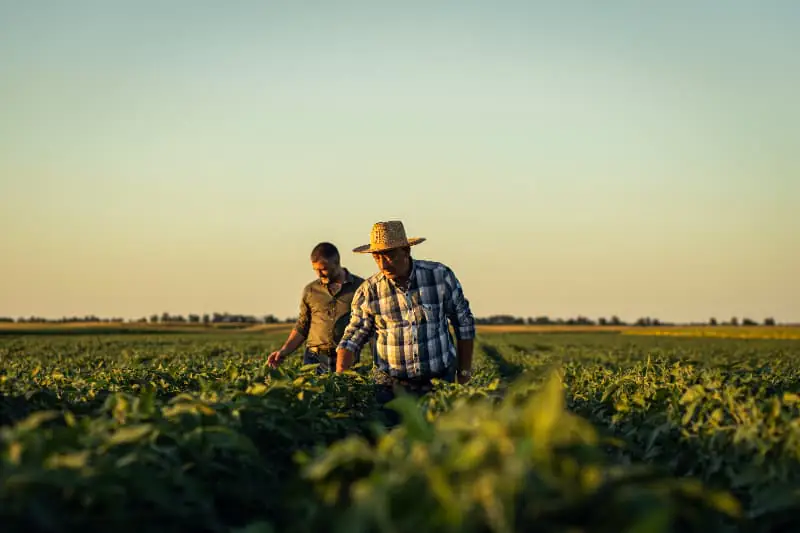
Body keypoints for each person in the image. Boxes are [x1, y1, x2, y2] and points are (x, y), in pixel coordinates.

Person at [334, 220, 476, 424]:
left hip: (438, 384)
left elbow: (464, 324)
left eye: (389, 255)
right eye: (377, 257)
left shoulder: (439, 276)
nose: (383, 263)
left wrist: (463, 373)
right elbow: (351, 339)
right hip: (390, 389)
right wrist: (342, 380)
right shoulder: (369, 291)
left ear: (406, 250)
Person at [267, 242, 370, 374]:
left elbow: (370, 325)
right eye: (315, 269)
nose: (319, 274)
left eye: (323, 269)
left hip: (345, 357)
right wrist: (283, 351)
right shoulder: (310, 290)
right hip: (314, 358)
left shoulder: (360, 287)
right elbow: (302, 326)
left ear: (336, 262)